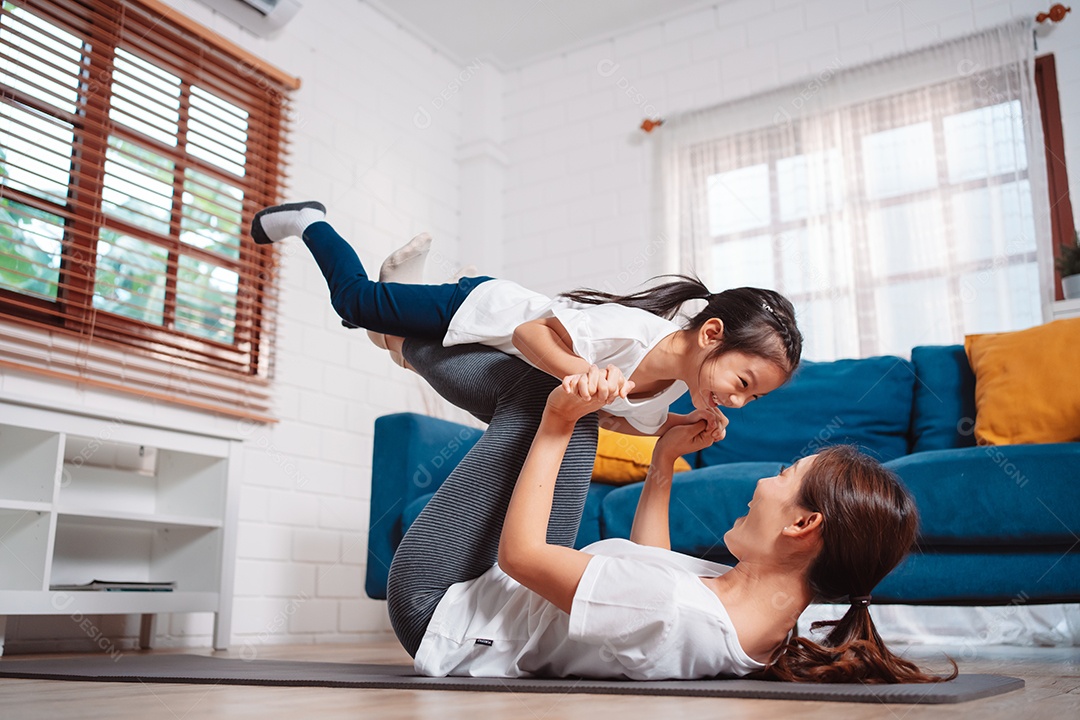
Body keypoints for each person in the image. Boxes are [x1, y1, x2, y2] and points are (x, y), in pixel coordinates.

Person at [384, 338, 954, 682]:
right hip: (505, 596)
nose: (762, 482)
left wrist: (558, 422)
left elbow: (523, 556)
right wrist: (661, 465)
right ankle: (409, 337)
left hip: (445, 610)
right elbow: (644, 572)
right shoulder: (759, 616)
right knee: (569, 403)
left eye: (784, 477)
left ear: (804, 525)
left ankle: (394, 334)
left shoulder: (678, 612)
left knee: (548, 396)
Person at [251, 201, 803, 440]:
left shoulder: (667, 395)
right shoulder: (632, 334)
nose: (737, 401)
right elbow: (528, 333)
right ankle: (311, 222)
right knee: (355, 306)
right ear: (711, 334)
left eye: (752, 399)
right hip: (485, 310)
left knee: (392, 345)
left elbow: (612, 419)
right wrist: (577, 369)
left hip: (491, 346)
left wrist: (676, 429)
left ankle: (405, 288)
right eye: (743, 383)